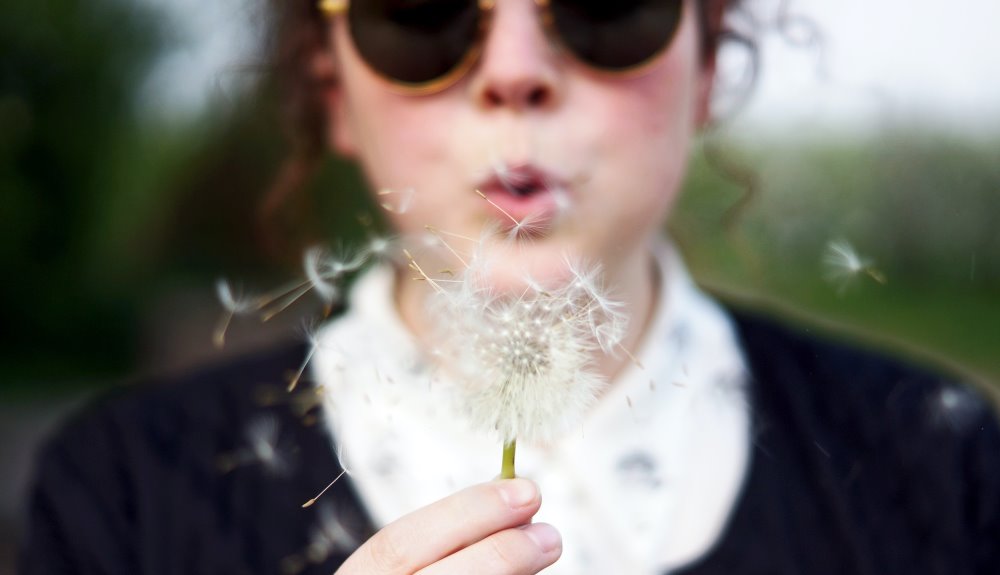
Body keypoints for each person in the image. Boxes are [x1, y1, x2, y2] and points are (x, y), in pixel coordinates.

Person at [20, 0, 1000, 574]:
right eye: (422, 13)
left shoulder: (946, 466)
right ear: (332, 88)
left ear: (705, 64)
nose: (515, 72)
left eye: (607, 6)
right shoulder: (118, 497)